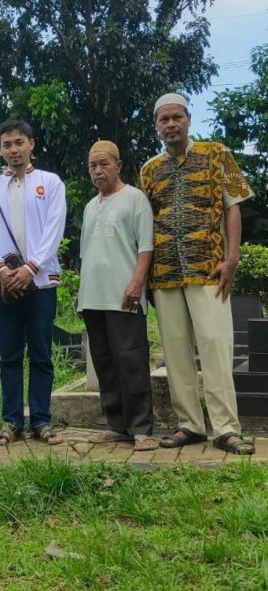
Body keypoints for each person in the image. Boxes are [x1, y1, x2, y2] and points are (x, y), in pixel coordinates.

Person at [141, 93, 255, 455]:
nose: (171, 124)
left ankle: (225, 428)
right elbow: (145, 223)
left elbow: (232, 206)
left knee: (215, 347)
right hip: (166, 274)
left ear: (188, 119)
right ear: (157, 127)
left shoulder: (216, 153)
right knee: (175, 352)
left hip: (210, 270)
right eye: (164, 120)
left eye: (177, 117)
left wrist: (232, 257)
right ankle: (189, 424)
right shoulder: (149, 170)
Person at [0, 120, 66, 446]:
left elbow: (54, 229)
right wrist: (0, 270)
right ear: (0, 150)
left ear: (32, 144)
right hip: (4, 285)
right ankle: (11, 421)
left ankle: (41, 421)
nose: (13, 150)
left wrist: (30, 267)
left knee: (41, 353)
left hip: (41, 282)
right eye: (6, 144)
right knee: (9, 355)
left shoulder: (51, 183)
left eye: (19, 143)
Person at [78, 141, 157, 451]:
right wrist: (81, 293)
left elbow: (145, 246)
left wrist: (137, 283)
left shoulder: (135, 199)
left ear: (118, 165)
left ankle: (141, 428)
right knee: (105, 363)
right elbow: (86, 254)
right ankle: (117, 425)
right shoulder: (89, 206)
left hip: (125, 297)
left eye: (103, 164)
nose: (98, 170)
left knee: (132, 361)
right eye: (92, 166)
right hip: (93, 298)